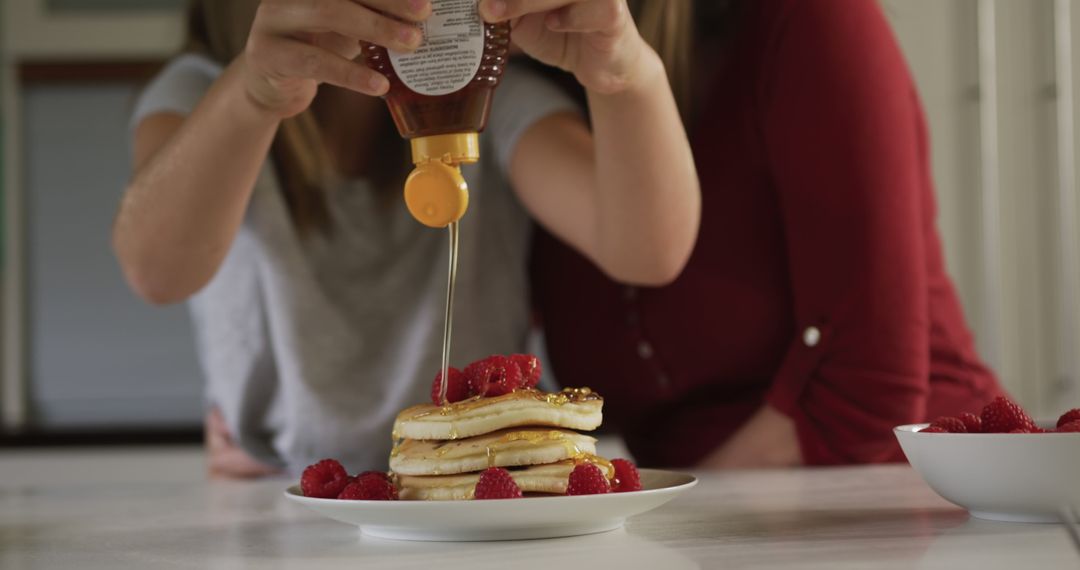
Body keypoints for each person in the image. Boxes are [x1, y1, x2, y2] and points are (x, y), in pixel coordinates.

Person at [113, 0, 700, 478]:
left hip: (474, 481)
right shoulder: (209, 92)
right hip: (284, 485)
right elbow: (156, 271)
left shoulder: (495, 92)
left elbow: (645, 248)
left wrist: (626, 75)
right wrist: (251, 95)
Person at [531, 0, 1005, 468]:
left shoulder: (810, 18)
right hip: (725, 520)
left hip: (929, 487)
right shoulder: (529, 100)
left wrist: (674, 519)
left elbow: (866, 393)